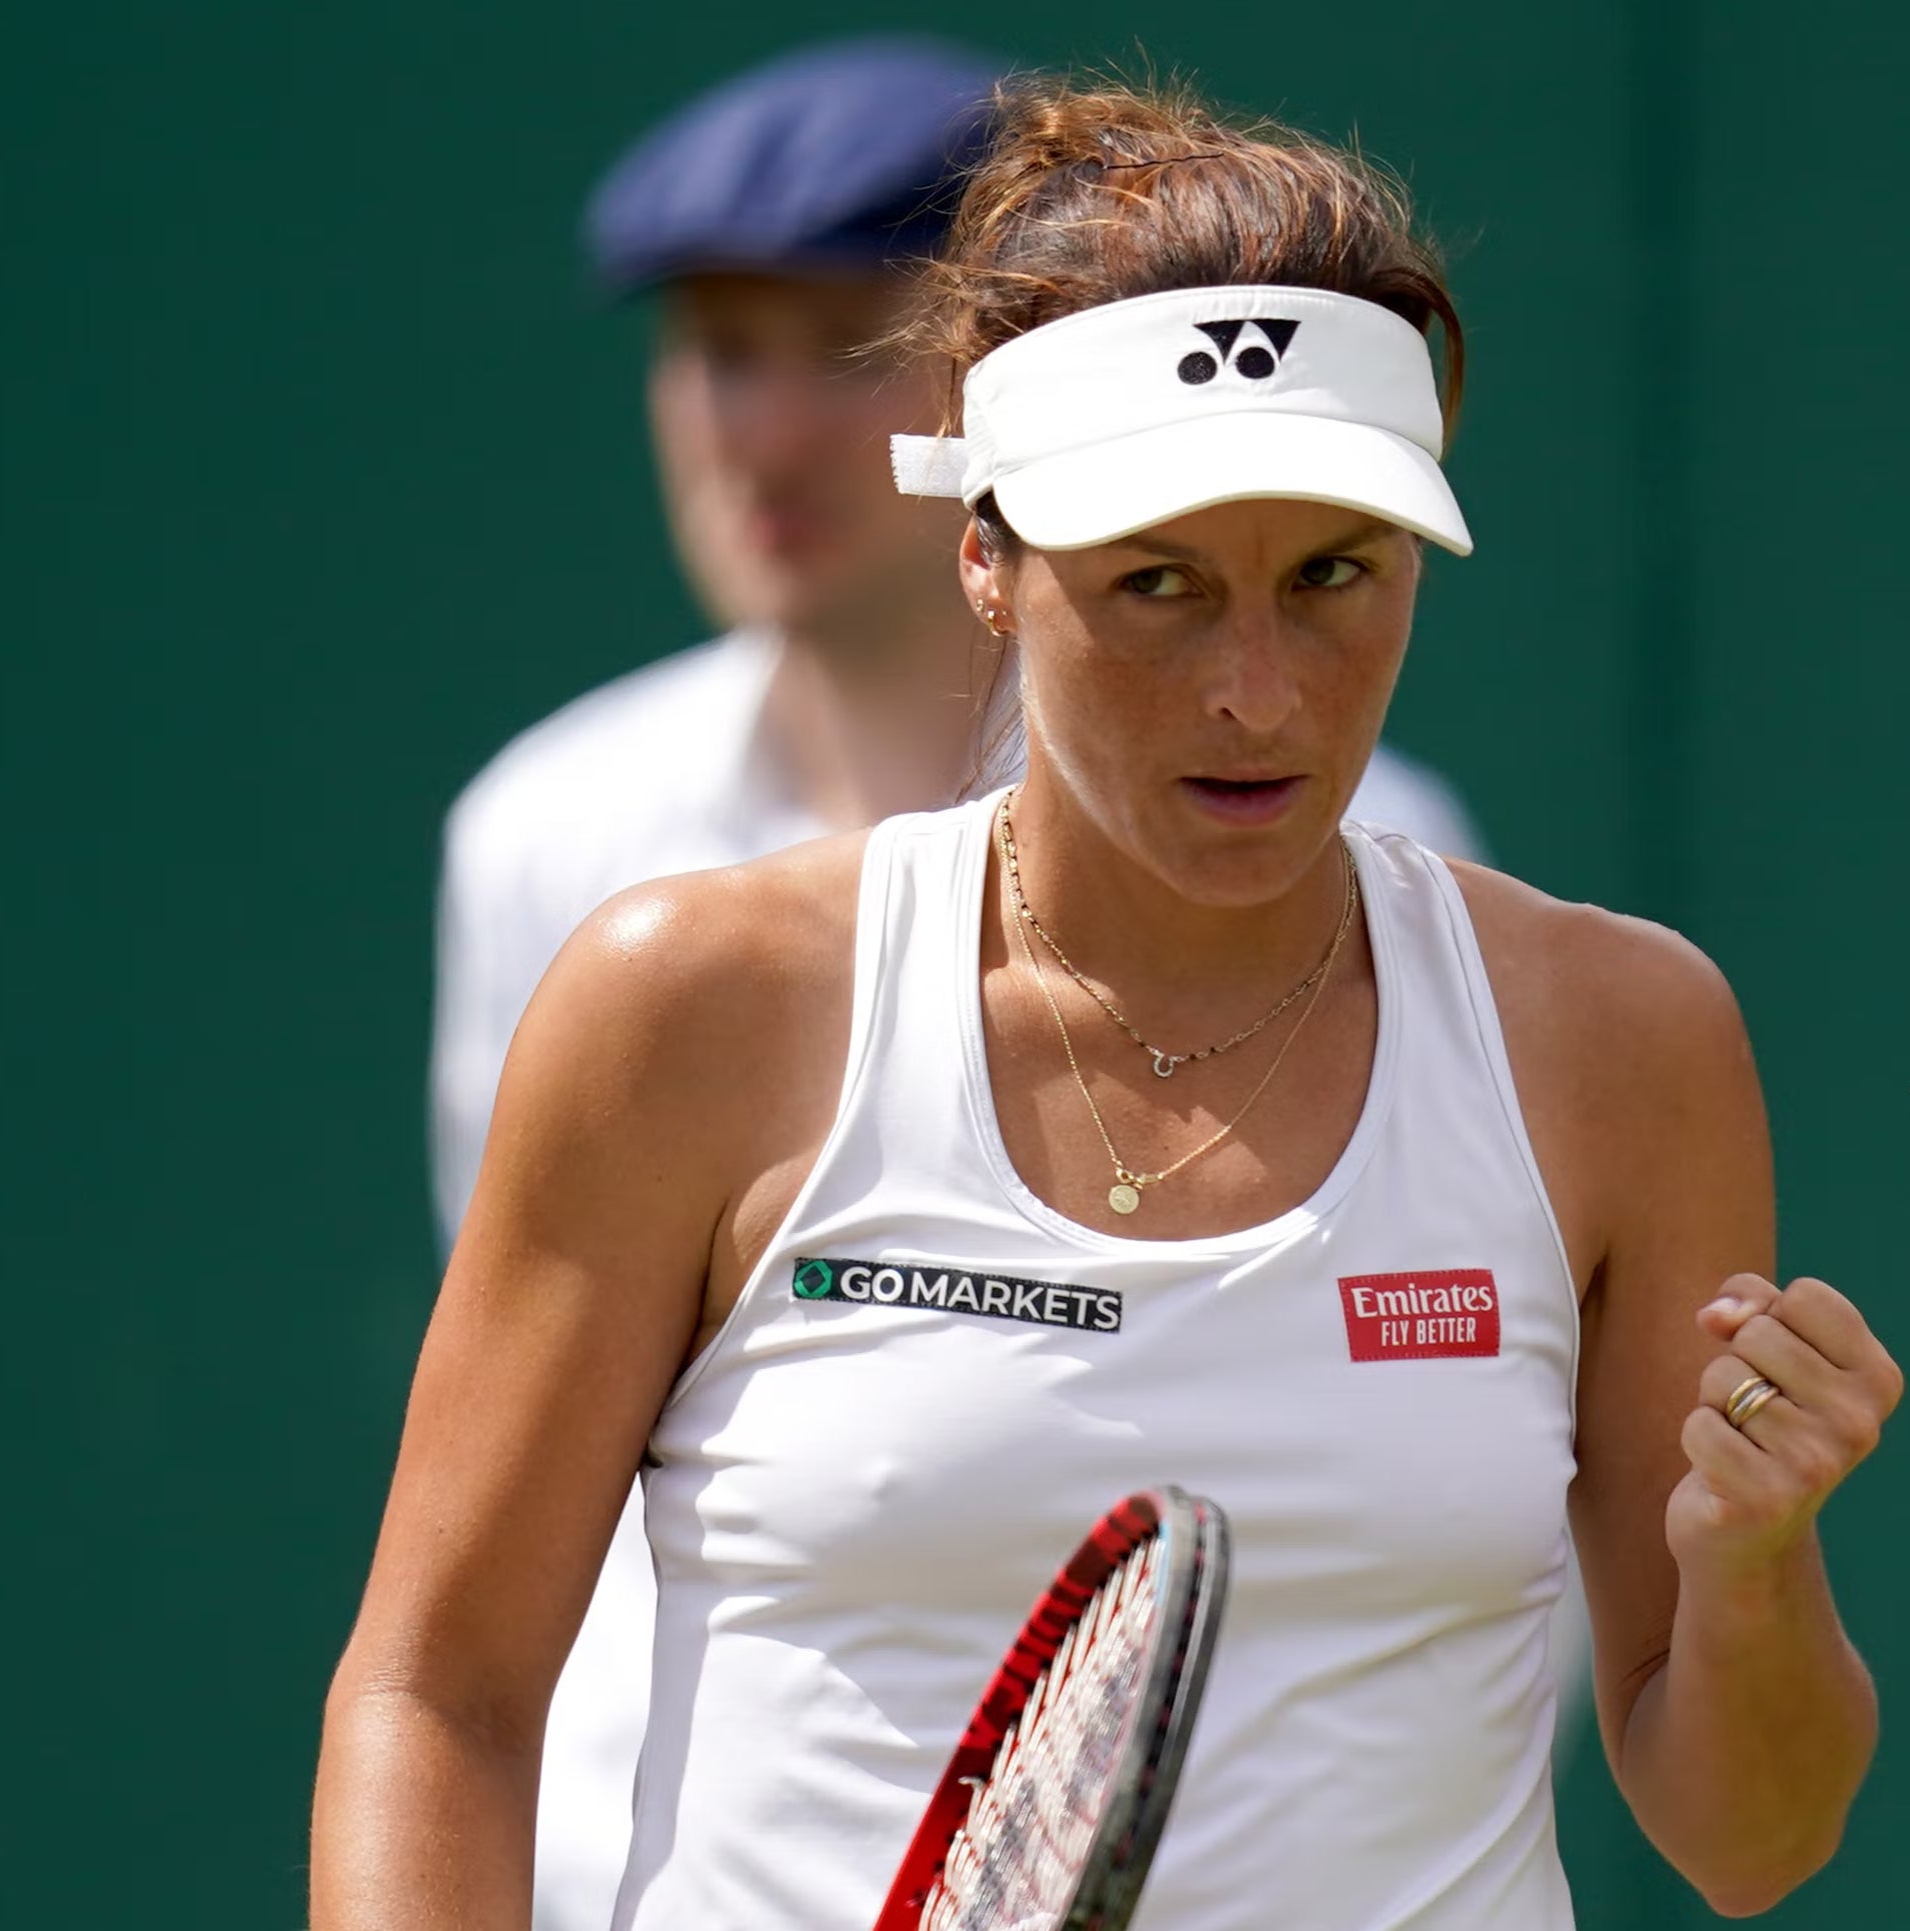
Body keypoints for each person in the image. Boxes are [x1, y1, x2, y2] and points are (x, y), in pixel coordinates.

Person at [323, 74, 1903, 1931]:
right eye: (1156, 587)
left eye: (1335, 578)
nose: (1258, 691)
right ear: (984, 558)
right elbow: (441, 1696)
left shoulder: (1624, 1041)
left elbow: (1751, 1837)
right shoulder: (686, 1013)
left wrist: (1752, 1570)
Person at [427, 40, 1496, 1927]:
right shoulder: (562, 842)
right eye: (716, 353)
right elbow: (495, 1560)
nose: (760, 434)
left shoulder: (1393, 856)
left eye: (835, 352)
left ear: (983, 386)